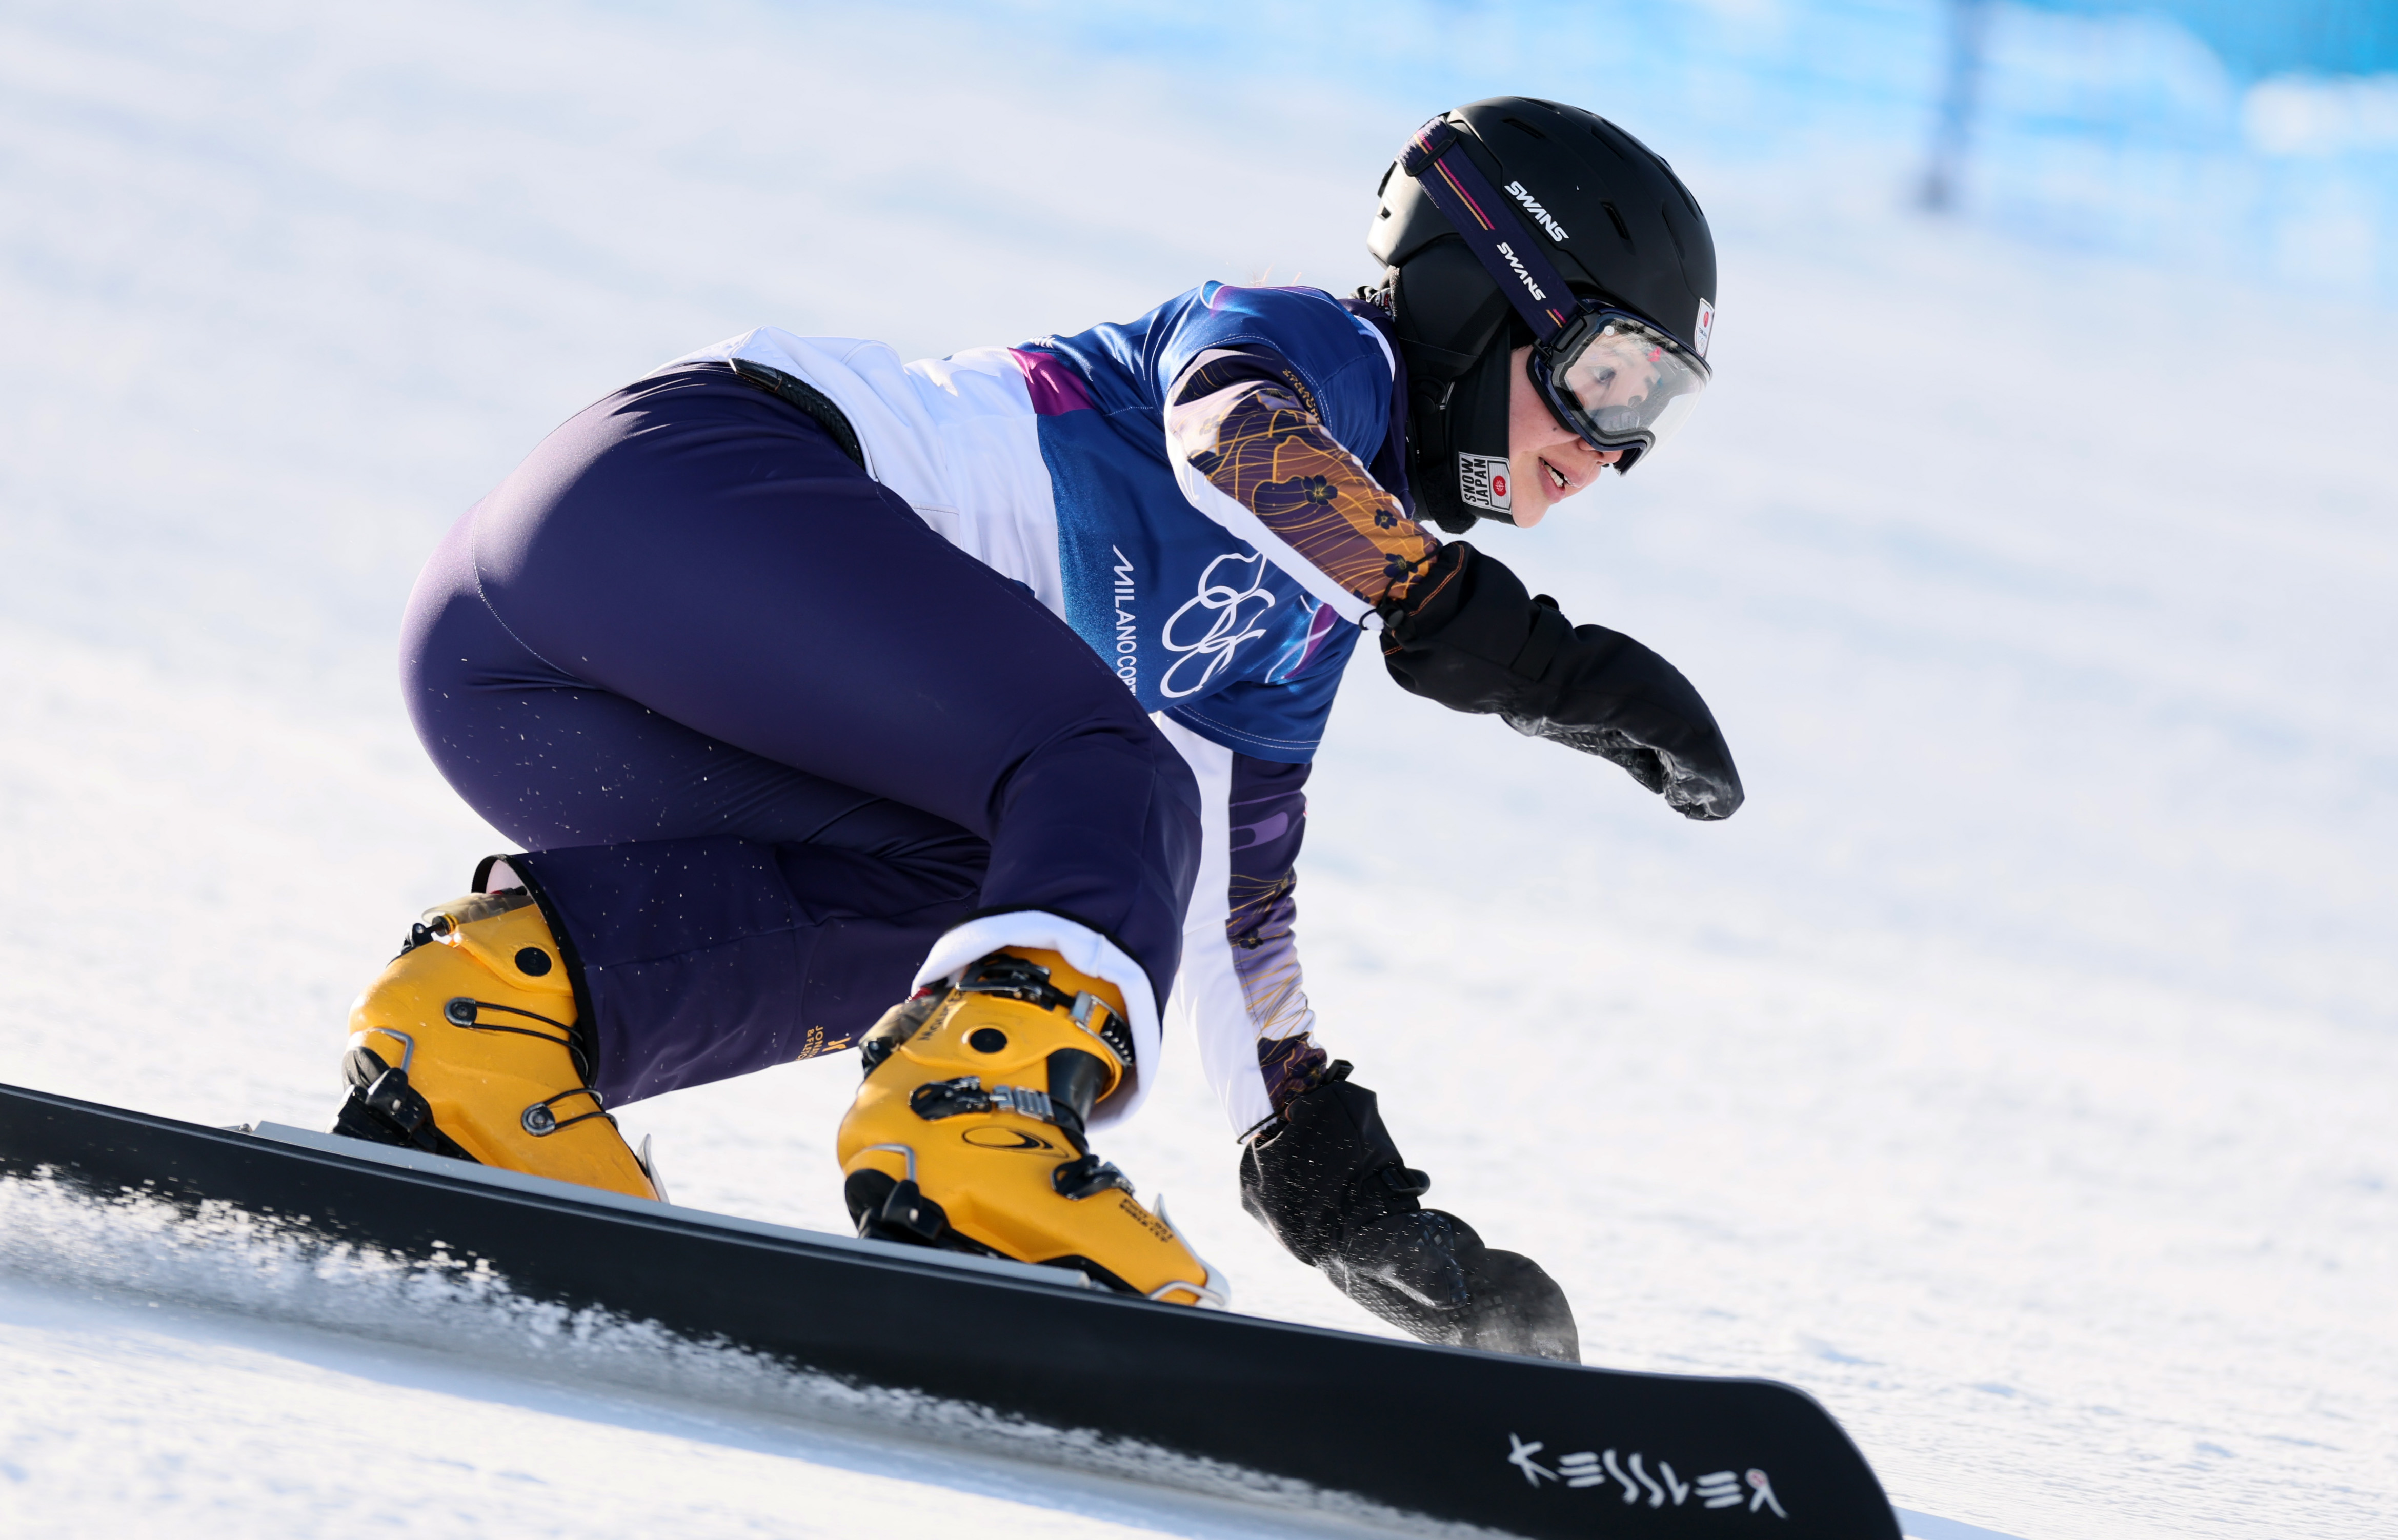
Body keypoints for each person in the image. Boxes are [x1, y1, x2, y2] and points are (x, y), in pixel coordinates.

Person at [330, 97, 1741, 1361]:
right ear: (1478, 297)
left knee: (1015, 872)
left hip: (539, 696)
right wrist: (1507, 641)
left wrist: (1334, 1185)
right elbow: (1233, 436)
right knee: (1096, 772)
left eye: (1657, 411)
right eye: (1610, 374)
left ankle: (497, 1022)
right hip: (671, 498)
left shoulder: (1303, 629)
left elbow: (1222, 922)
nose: (1612, 445)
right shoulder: (1325, 350)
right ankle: (970, 1135)